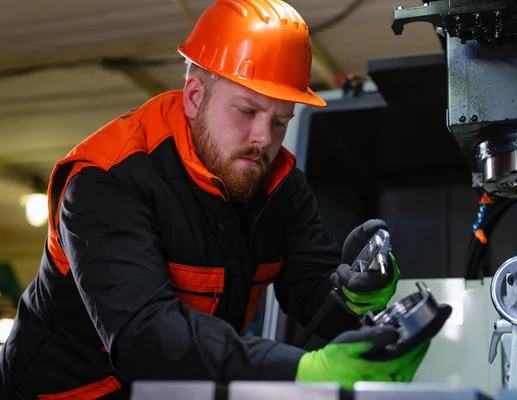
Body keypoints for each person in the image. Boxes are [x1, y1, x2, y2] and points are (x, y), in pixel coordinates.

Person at [0, 0, 431, 398]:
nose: (264, 139)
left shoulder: (281, 184)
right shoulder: (106, 180)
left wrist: (352, 290)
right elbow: (143, 336)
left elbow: (310, 291)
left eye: (280, 120)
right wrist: (301, 371)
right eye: (246, 111)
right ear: (194, 98)